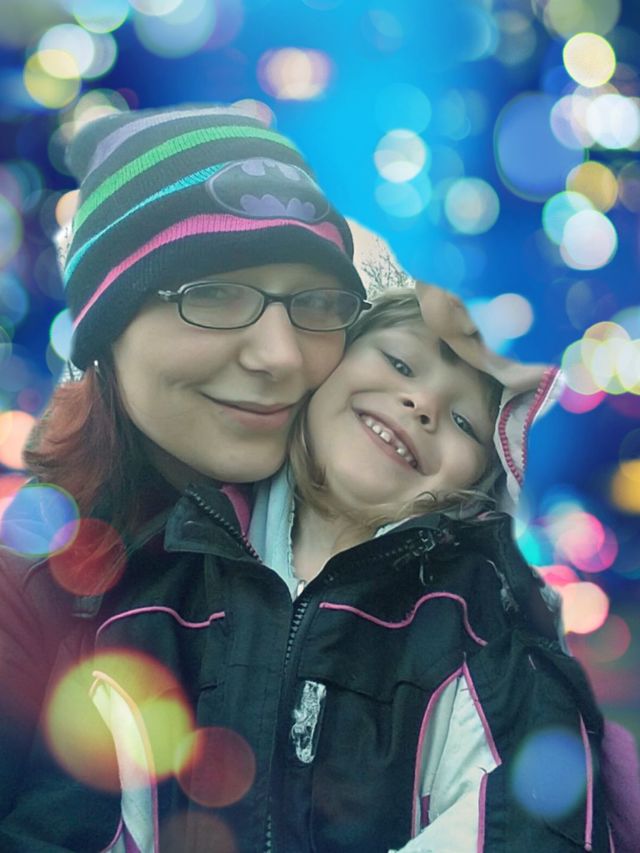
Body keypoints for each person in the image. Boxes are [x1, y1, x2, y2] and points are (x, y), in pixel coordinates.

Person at [0, 104, 372, 851]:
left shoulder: (401, 562)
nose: (281, 356)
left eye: (314, 302)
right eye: (213, 293)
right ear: (106, 330)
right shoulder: (25, 597)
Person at [249, 288, 613, 852]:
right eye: (399, 364)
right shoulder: (185, 552)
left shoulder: (485, 626)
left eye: (465, 423)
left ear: (483, 478)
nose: (423, 405)